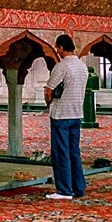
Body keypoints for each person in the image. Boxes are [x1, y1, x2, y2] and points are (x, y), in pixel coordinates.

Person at [44, 34, 88, 200]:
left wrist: (49, 103)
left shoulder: (62, 66)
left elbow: (49, 91)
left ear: (61, 47)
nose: (57, 51)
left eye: (57, 48)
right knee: (74, 152)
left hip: (61, 114)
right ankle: (78, 188)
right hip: (77, 114)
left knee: (61, 152)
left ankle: (64, 190)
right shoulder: (82, 66)